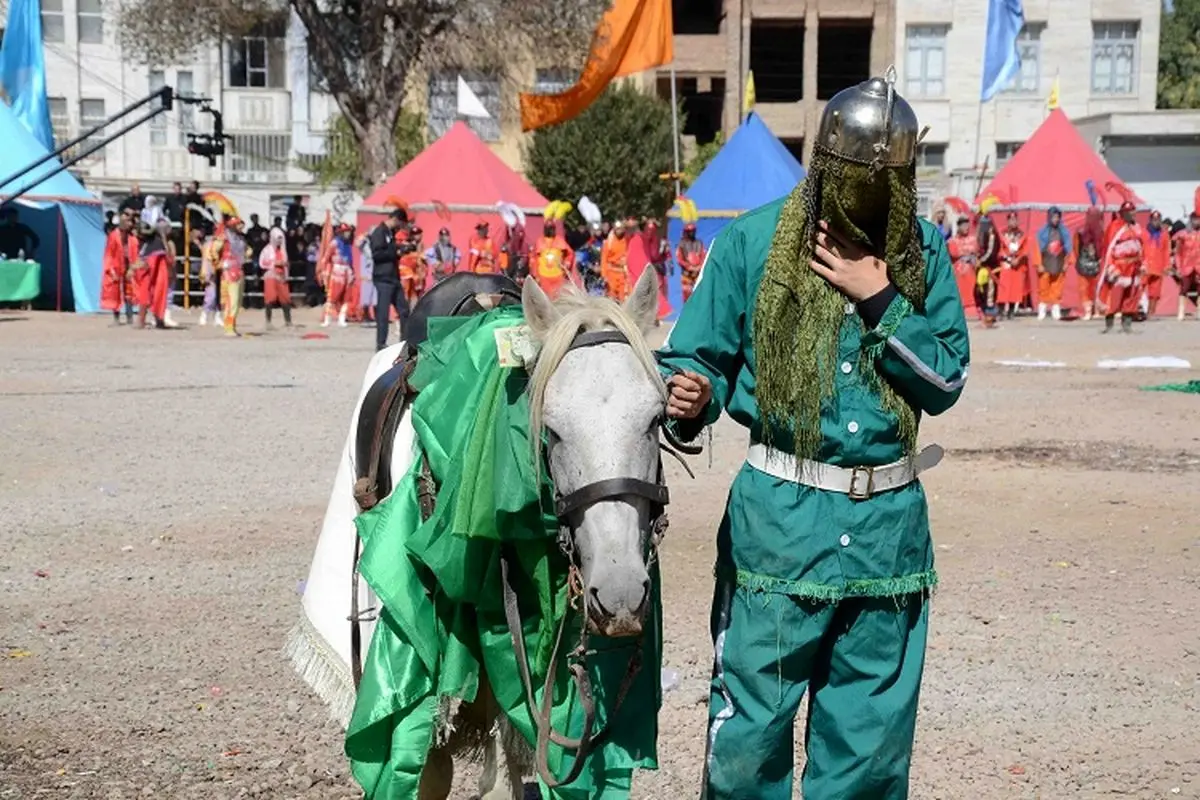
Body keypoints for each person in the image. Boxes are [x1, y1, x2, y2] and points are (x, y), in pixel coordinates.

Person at [658, 72, 969, 800]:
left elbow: (946, 380)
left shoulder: (921, 252)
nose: (868, 195)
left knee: (867, 751)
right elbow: (693, 357)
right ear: (824, 165)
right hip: (778, 532)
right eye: (855, 177)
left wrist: (881, 296)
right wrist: (692, 394)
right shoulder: (752, 241)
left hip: (888, 537)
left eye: (885, 181)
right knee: (748, 743)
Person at [1101, 202, 1148, 333]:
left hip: (1134, 265)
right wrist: (1110, 266)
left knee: (1131, 295)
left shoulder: (1137, 228)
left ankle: (1126, 323)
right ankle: (1109, 323)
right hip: (1119, 265)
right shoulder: (1114, 228)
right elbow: (1108, 248)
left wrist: (1144, 263)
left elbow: (1143, 247)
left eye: (1134, 211)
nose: (1133, 214)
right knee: (1115, 296)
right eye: (1130, 211)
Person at [369, 208, 409, 351]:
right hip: (383, 278)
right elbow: (377, 254)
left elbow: (389, 251)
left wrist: (400, 250)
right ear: (396, 219)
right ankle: (381, 344)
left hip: (393, 277)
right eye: (400, 224)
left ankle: (405, 341)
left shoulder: (390, 234)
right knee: (383, 313)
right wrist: (395, 251)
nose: (399, 228)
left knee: (404, 310)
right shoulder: (379, 232)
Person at [132, 217, 176, 329]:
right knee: (148, 295)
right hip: (150, 273)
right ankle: (144, 320)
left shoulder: (156, 242)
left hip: (157, 272)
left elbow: (152, 261)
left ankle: (156, 320)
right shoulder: (146, 243)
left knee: (156, 295)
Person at [101, 210, 139, 324]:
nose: (130, 224)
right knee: (115, 292)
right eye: (127, 221)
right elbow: (109, 254)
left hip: (129, 265)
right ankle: (116, 317)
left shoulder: (132, 237)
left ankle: (130, 316)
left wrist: (133, 267)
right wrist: (110, 269)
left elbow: (136, 252)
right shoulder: (113, 236)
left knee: (129, 292)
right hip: (116, 266)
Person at [1034, 206, 1072, 321]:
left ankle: (1056, 309)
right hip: (1045, 262)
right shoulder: (1042, 232)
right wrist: (1038, 264)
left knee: (1057, 287)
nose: (1056, 219)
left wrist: (1067, 263)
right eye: (1053, 217)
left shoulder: (1064, 232)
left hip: (1059, 262)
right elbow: (1036, 249)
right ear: (1049, 217)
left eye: (1057, 217)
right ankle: (1042, 310)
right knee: (1043, 287)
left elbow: (1068, 249)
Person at [320, 223, 356, 327]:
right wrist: (324, 273)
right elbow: (325, 259)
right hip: (337, 272)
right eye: (346, 232)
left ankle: (342, 318)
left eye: (349, 231)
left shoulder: (348, 245)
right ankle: (327, 319)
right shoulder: (334, 243)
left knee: (346, 297)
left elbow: (351, 261)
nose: (348, 234)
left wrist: (352, 273)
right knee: (332, 297)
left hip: (347, 271)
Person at [529, 219, 575, 298]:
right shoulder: (539, 241)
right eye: (547, 228)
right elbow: (533, 258)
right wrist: (535, 274)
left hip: (558, 275)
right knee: (545, 298)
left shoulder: (560, 240)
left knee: (558, 298)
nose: (549, 230)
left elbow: (570, 254)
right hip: (543, 276)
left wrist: (567, 262)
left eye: (551, 228)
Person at [1074, 208, 1105, 321]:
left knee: (1092, 288)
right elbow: (1076, 247)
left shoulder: (1101, 233)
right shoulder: (1082, 232)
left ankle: (1094, 310)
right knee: (1087, 288)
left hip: (1092, 264)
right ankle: (1089, 310)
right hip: (1087, 264)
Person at [259, 227, 293, 328]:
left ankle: (288, 321)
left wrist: (286, 271)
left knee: (285, 299)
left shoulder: (283, 251)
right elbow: (262, 263)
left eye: (281, 238)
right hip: (271, 276)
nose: (279, 241)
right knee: (270, 299)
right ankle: (268, 322)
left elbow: (286, 264)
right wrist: (274, 263)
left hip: (281, 276)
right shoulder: (266, 250)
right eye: (278, 238)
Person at [997, 211, 1028, 319]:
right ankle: (1000, 310)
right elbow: (999, 249)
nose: (1013, 222)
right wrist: (1007, 258)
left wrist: (1018, 259)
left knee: (1015, 288)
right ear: (1008, 221)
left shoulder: (1022, 234)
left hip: (1017, 263)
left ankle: (1011, 311)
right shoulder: (1002, 233)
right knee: (1004, 288)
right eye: (1011, 219)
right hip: (1006, 263)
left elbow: (1025, 250)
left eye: (1015, 219)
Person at [220, 218, 248, 336]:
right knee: (232, 301)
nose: (241, 227)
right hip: (229, 272)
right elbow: (213, 251)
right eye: (239, 225)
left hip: (239, 270)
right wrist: (220, 264)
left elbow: (245, 251)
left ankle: (233, 325)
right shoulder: (224, 238)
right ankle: (228, 327)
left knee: (238, 301)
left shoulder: (241, 239)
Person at [1172, 209, 1200, 321]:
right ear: (1191, 219)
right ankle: (1181, 311)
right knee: (1184, 288)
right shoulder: (1183, 234)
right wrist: (1178, 267)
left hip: (1199, 265)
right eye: (1195, 219)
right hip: (1186, 265)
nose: (1197, 221)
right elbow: (1177, 253)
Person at [947, 216, 979, 315]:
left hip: (972, 268)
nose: (966, 228)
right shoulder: (952, 240)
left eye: (967, 225)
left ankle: (972, 306)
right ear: (958, 227)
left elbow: (976, 251)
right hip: (958, 269)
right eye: (963, 225)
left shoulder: (973, 239)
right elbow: (953, 253)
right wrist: (966, 254)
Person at [975, 215, 1000, 327]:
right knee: (982, 290)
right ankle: (986, 315)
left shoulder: (992, 234)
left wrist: (981, 260)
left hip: (991, 267)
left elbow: (991, 252)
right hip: (984, 268)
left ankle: (990, 316)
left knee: (990, 291)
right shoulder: (983, 233)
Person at [1144, 210, 1170, 318]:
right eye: (1154, 220)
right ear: (1150, 220)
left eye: (1158, 220)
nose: (1156, 222)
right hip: (1145, 266)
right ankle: (1134, 311)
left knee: (1155, 292)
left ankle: (1151, 312)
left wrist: (1167, 266)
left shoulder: (1164, 234)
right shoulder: (1143, 232)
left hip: (1158, 266)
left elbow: (1167, 251)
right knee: (1138, 289)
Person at [676, 222, 706, 303]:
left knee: (700, 294)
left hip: (697, 274)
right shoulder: (681, 244)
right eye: (689, 231)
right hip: (687, 275)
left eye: (693, 231)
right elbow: (679, 259)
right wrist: (689, 266)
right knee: (687, 295)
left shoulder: (699, 243)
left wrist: (699, 266)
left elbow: (704, 256)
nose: (691, 233)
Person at [601, 220, 630, 301]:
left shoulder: (627, 240)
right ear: (614, 229)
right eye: (617, 229)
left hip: (623, 274)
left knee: (624, 298)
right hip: (611, 274)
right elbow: (604, 260)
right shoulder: (608, 242)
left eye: (620, 229)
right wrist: (604, 275)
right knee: (611, 298)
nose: (619, 231)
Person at [399, 225, 426, 307]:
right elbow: (404, 260)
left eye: (419, 234)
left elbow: (422, 260)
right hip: (407, 274)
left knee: (417, 294)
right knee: (406, 293)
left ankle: (413, 313)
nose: (417, 236)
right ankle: (403, 313)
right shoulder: (406, 245)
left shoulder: (421, 245)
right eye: (415, 234)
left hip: (417, 274)